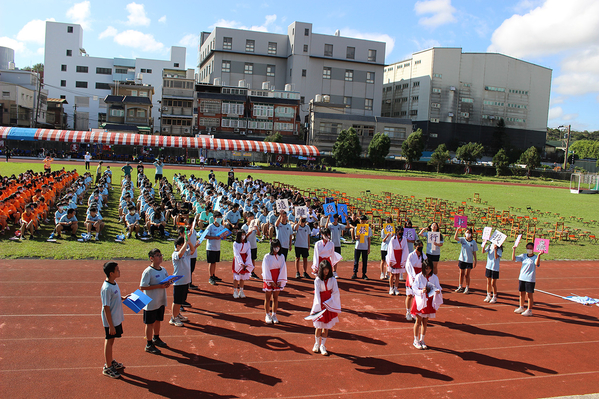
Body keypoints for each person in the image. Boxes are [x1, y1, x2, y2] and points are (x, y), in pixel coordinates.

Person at [100, 261, 128, 379]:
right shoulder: (106, 288)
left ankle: (110, 361)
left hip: (115, 318)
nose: (119, 271)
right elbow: (106, 307)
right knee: (109, 340)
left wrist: (123, 298)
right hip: (110, 320)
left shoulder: (113, 283)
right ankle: (107, 367)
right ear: (111, 273)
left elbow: (114, 297)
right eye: (117, 269)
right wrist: (110, 326)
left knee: (112, 341)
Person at [140, 249, 170, 354]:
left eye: (161, 255)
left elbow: (166, 280)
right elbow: (142, 286)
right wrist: (159, 286)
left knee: (158, 320)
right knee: (149, 323)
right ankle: (148, 344)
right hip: (150, 302)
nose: (160, 257)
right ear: (151, 258)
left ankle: (156, 338)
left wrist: (168, 283)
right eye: (157, 255)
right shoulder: (148, 271)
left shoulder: (163, 270)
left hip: (160, 300)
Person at [310, 260, 341, 356]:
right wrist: (319, 306)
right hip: (320, 305)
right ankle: (316, 344)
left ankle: (323, 345)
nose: (326, 271)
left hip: (329, 304)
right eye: (324, 269)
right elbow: (317, 295)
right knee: (318, 326)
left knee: (326, 327)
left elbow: (335, 293)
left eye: (327, 269)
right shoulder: (317, 280)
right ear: (321, 270)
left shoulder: (333, 280)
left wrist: (329, 303)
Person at [411, 258, 442, 350]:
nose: (428, 270)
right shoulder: (419, 277)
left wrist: (437, 291)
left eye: (429, 268)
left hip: (429, 301)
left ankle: (422, 340)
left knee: (425, 321)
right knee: (418, 320)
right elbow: (414, 288)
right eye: (426, 268)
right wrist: (421, 291)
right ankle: (415, 340)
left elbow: (439, 287)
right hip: (420, 301)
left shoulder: (434, 278)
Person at [512, 242, 542, 317]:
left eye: (530, 248)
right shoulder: (524, 256)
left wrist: (539, 255)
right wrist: (514, 250)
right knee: (521, 293)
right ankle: (521, 307)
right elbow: (514, 259)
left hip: (530, 278)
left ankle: (529, 310)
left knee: (529, 294)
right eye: (528, 248)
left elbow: (537, 264)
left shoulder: (535, 257)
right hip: (522, 277)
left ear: (533, 249)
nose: (529, 250)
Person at [262, 239, 287, 324]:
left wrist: (280, 280)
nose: (277, 249)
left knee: (276, 297)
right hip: (269, 277)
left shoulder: (282, 256)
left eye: (278, 247)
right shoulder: (267, 257)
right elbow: (265, 269)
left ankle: (274, 314)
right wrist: (270, 280)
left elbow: (283, 268)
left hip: (278, 277)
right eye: (275, 247)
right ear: (272, 247)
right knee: (268, 297)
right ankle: (267, 314)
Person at [405, 239, 426, 321]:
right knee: (409, 295)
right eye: (418, 246)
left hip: (420, 276)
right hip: (412, 276)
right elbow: (409, 267)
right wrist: (413, 277)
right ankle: (408, 312)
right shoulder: (411, 255)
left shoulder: (424, 256)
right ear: (415, 247)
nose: (420, 248)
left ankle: (416, 311)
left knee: (419, 295)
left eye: (421, 246)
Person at [453, 227, 478, 294]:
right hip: (462, 259)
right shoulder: (463, 240)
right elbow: (455, 238)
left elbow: (474, 252)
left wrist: (475, 261)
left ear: (471, 234)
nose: (468, 234)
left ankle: (467, 287)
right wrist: (457, 230)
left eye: (469, 233)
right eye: (467, 232)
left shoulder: (473, 242)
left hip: (469, 260)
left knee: (467, 274)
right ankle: (460, 286)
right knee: (461, 273)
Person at [385, 226, 407, 295]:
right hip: (393, 256)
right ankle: (391, 288)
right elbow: (390, 250)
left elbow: (405, 249)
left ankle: (396, 288)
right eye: (399, 231)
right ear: (396, 232)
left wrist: (404, 259)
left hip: (400, 257)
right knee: (392, 274)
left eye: (402, 231)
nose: (401, 233)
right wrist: (391, 259)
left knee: (398, 274)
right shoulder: (392, 239)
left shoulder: (404, 239)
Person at [205, 211, 225, 285]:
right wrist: (214, 237)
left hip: (217, 247)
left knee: (214, 262)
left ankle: (213, 275)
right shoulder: (210, 226)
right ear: (214, 218)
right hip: (210, 247)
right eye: (218, 218)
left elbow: (223, 236)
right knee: (211, 262)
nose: (219, 219)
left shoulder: (221, 227)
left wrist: (224, 236)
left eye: (220, 218)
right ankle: (211, 277)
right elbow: (205, 235)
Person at [232, 230, 254, 298]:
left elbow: (249, 252)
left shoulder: (247, 243)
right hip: (237, 260)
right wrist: (240, 263)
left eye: (244, 235)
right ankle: (235, 291)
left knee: (242, 277)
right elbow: (236, 253)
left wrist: (247, 262)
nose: (243, 236)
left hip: (245, 259)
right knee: (236, 276)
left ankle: (241, 290)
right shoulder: (235, 243)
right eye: (242, 235)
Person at [241, 212, 260, 279]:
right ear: (247, 218)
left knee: (253, 259)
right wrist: (248, 233)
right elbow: (242, 238)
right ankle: (244, 272)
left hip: (253, 245)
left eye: (253, 219)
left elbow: (259, 235)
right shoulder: (244, 226)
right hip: (246, 246)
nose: (252, 220)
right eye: (250, 218)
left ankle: (252, 272)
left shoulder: (255, 226)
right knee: (245, 259)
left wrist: (257, 229)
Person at [351, 215, 371, 280]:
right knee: (356, 261)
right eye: (361, 220)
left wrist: (369, 248)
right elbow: (355, 237)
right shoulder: (357, 228)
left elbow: (369, 239)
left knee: (364, 261)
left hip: (365, 247)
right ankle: (355, 273)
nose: (362, 221)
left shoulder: (368, 228)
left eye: (363, 220)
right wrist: (359, 237)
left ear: (365, 221)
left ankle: (364, 274)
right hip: (358, 246)